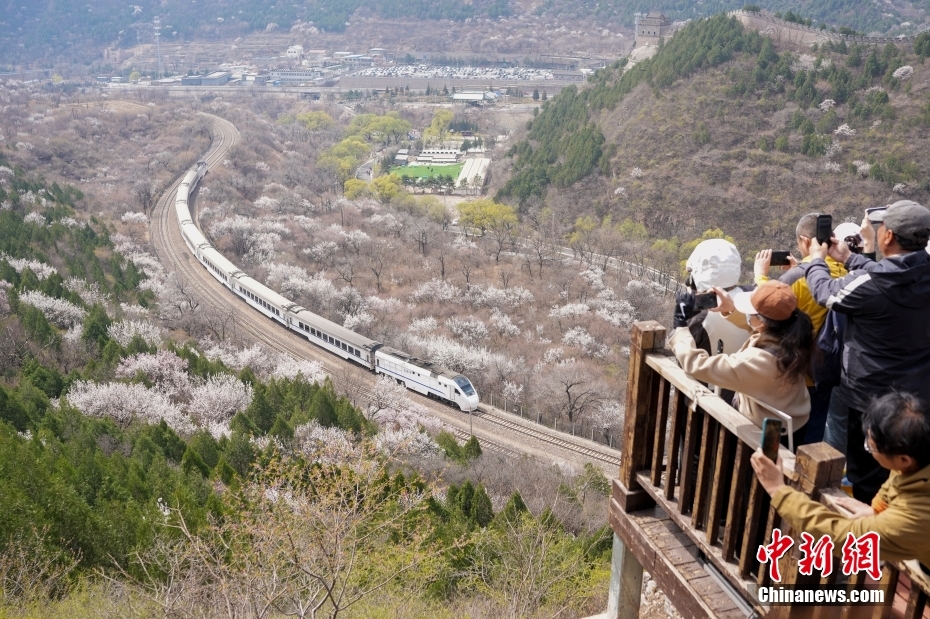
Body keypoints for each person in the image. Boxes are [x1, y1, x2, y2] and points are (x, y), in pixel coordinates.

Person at [806, 200, 930, 503]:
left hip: (869, 399)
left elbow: (826, 293)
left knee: (867, 478)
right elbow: (891, 273)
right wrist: (850, 258)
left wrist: (815, 260)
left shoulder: (871, 284)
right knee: (911, 475)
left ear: (887, 236)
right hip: (918, 397)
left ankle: (871, 541)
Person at [751, 391, 930, 569]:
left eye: (870, 447)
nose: (866, 445)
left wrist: (778, 490)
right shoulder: (918, 456)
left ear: (904, 459)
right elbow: (897, 475)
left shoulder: (914, 517)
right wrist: (878, 509)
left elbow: (842, 537)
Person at [670, 280, 813, 444]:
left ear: (761, 322)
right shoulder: (793, 334)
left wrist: (680, 324)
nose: (748, 317)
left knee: (765, 468)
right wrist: (730, 308)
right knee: (772, 468)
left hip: (772, 433)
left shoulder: (759, 361)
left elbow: (697, 365)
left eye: (750, 313)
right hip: (791, 417)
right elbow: (756, 328)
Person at [754, 213, 848, 445]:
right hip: (824, 370)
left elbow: (768, 307)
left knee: (777, 436)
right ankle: (809, 478)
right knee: (813, 437)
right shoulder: (846, 273)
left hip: (791, 372)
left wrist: (760, 277)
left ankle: (772, 475)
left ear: (805, 241)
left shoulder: (796, 278)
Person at [676, 238, 753, 356]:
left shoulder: (699, 317)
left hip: (712, 372)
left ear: (695, 278)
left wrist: (681, 320)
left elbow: (683, 355)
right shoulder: (753, 297)